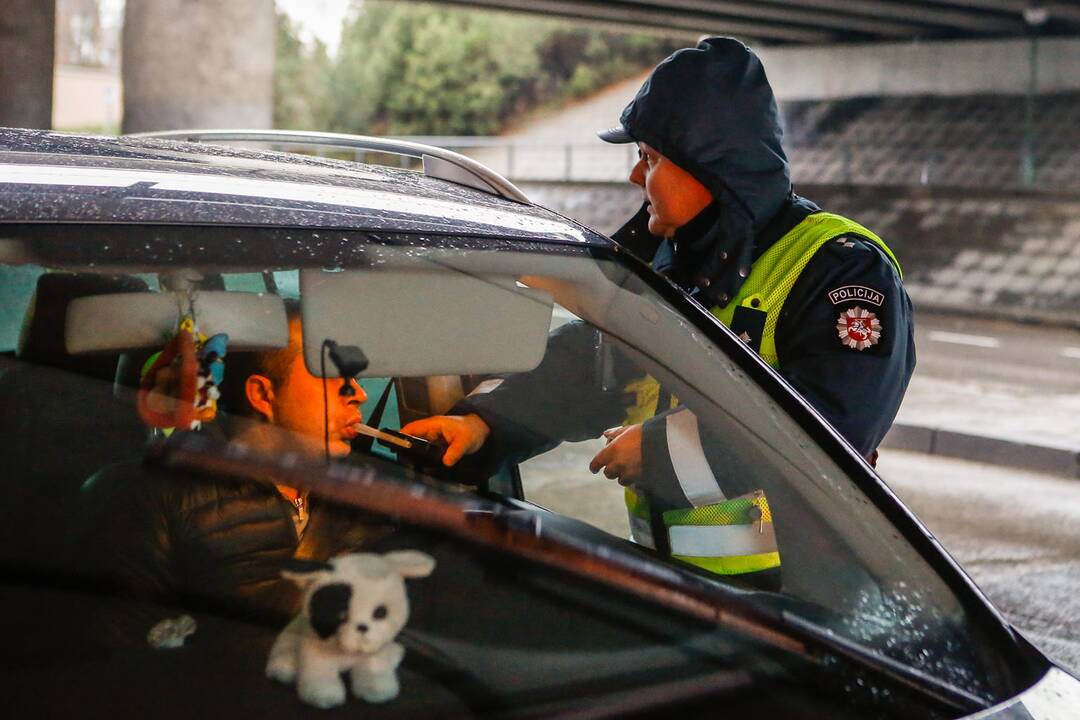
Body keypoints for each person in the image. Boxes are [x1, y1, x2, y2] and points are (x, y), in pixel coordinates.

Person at [403, 37, 915, 586]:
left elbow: (824, 439)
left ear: (711, 167)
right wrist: (484, 426)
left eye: (648, 158)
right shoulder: (672, 260)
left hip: (804, 613)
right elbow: (590, 367)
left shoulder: (840, 272)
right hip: (674, 601)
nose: (634, 177)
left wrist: (661, 452)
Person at [81, 303, 391, 637]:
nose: (358, 394)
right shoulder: (142, 499)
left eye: (355, 379)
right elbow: (130, 659)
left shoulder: (366, 492)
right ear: (262, 394)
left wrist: (457, 423)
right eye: (332, 375)